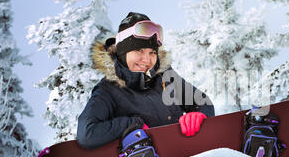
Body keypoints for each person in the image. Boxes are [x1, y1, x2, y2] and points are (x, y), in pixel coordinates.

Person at [77, 12, 215, 149]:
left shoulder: (166, 76)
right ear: (122, 53)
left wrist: (198, 115)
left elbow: (202, 102)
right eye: (139, 50)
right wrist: (132, 125)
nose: (147, 60)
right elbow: (87, 132)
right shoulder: (108, 90)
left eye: (152, 52)